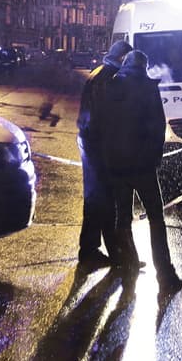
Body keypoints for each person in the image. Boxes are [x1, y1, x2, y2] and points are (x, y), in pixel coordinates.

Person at [91, 50, 182, 291]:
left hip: (117, 166)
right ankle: (165, 274)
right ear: (143, 66)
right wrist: (154, 157)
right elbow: (157, 126)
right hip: (143, 167)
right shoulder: (147, 88)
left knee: (123, 217)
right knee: (156, 218)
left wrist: (107, 157)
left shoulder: (110, 88)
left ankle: (129, 263)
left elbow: (100, 125)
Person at [76, 40, 132, 266]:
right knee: (107, 199)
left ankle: (91, 249)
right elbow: (105, 118)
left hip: (90, 142)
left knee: (95, 198)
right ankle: (113, 253)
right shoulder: (109, 79)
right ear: (121, 59)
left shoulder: (100, 73)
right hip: (98, 146)